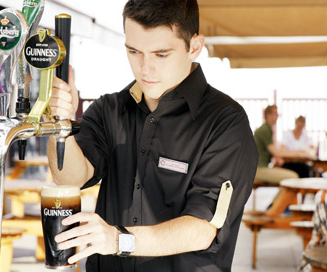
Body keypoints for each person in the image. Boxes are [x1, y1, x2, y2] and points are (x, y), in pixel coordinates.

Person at [46, 1, 259, 270]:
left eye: (161, 54)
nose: (145, 68)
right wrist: (59, 123)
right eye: (134, 51)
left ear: (194, 46)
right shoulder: (109, 109)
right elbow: (69, 178)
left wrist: (118, 240)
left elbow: (203, 229)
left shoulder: (226, 122)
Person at [253, 105, 310, 186]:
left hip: (262, 167)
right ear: (269, 115)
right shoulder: (264, 130)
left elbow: (273, 153)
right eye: (275, 113)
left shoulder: (267, 128)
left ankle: (280, 199)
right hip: (259, 170)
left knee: (298, 172)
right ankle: (280, 199)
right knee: (293, 177)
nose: (277, 116)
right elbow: (277, 153)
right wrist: (300, 153)